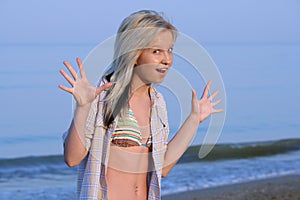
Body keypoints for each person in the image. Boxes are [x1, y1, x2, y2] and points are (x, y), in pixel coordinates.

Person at [59, 10, 223, 200]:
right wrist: (83, 107)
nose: (167, 59)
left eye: (170, 50)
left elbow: (163, 168)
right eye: (156, 51)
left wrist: (194, 119)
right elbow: (72, 158)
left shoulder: (158, 103)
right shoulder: (102, 97)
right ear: (134, 53)